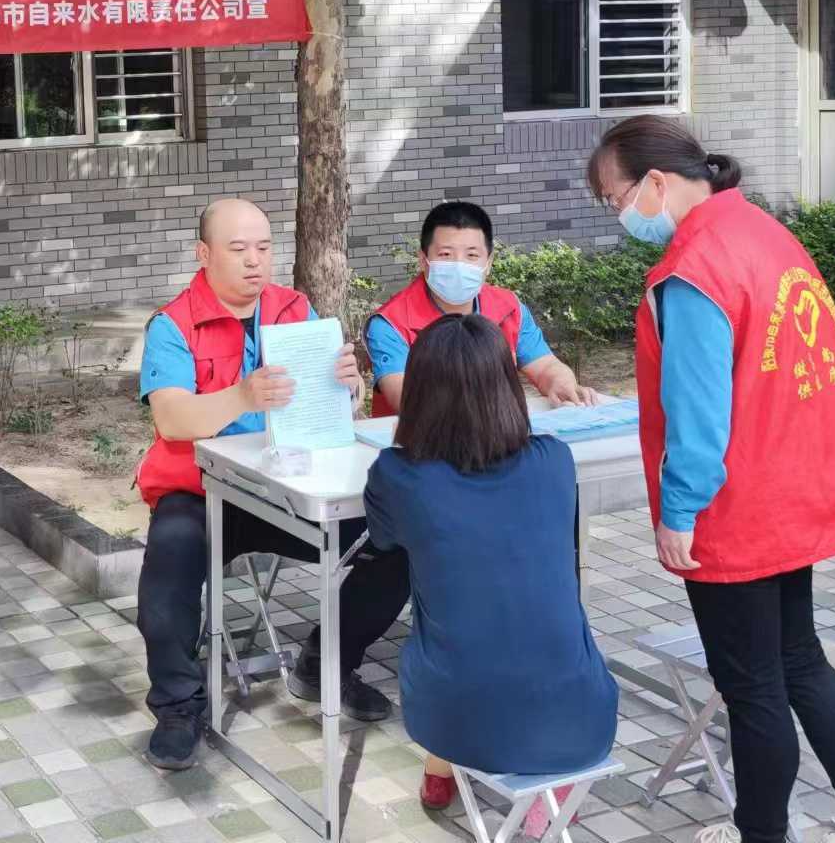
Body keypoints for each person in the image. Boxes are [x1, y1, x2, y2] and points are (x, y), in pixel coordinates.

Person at [586, 116, 835, 843]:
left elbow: (697, 413)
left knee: (753, 689)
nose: (619, 215)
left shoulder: (692, 268)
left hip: (738, 505)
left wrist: (679, 511)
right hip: (794, 487)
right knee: (801, 661)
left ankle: (761, 831)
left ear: (656, 182)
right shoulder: (767, 234)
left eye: (615, 199)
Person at [134, 198, 413, 771]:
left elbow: (331, 402)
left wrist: (348, 386)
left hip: (285, 487)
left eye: (263, 247)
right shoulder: (172, 324)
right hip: (203, 491)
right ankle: (178, 706)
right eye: (238, 249)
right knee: (167, 571)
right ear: (204, 253)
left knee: (398, 540)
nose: (254, 261)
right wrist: (241, 396)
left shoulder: (294, 308)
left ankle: (326, 663)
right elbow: (172, 418)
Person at [364, 313, 619, 812]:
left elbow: (384, 538)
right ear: (507, 387)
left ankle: (440, 772)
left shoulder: (399, 474)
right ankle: (539, 798)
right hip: (583, 717)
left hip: (456, 721)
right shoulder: (554, 460)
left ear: (420, 393)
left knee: (448, 637)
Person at [367, 200, 597, 416]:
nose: (459, 264)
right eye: (445, 254)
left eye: (472, 255)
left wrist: (561, 383)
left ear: (488, 263)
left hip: (497, 436)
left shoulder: (509, 308)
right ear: (423, 259)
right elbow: (404, 397)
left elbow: (545, 366)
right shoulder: (390, 323)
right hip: (416, 441)